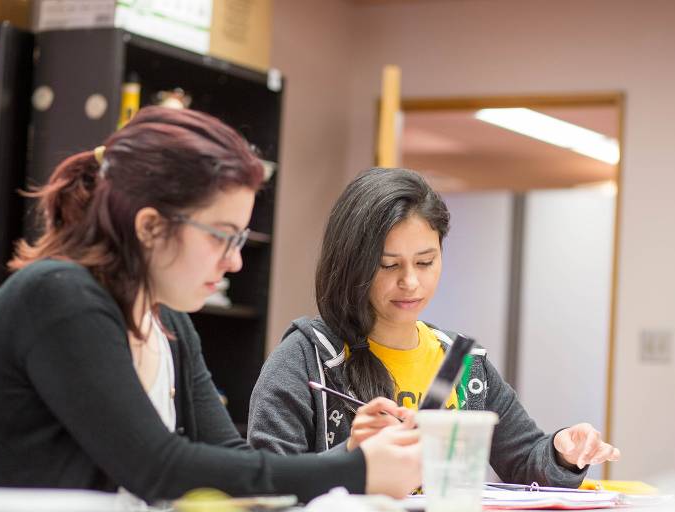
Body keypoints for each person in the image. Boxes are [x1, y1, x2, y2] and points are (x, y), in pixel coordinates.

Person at [0, 108, 420, 504]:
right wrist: (355, 472)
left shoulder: (167, 321)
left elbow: (230, 461)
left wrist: (350, 457)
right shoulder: (59, 296)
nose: (235, 261)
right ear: (150, 227)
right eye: (222, 237)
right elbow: (159, 468)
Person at [248, 167, 619, 487]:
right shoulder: (307, 358)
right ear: (352, 264)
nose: (411, 282)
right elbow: (266, 484)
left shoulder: (461, 363)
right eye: (389, 265)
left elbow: (525, 461)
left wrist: (563, 452)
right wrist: (349, 455)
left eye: (425, 262)